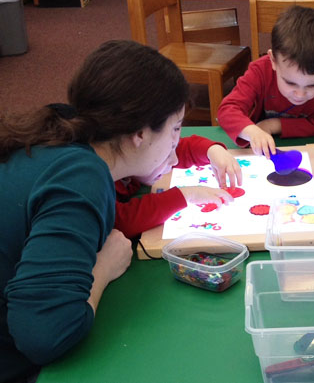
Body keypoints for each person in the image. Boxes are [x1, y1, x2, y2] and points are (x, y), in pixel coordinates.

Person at [0, 40, 191, 383]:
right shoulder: (82, 178)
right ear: (140, 133)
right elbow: (43, 335)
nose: (177, 146)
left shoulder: (60, 127)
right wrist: (102, 268)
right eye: (175, 129)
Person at [217, 5, 314, 158]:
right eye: (290, 83)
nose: (300, 94)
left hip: (312, 147)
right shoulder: (259, 71)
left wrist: (273, 125)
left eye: (312, 85)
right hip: (257, 150)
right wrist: (252, 132)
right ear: (273, 60)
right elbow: (227, 110)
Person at [115, 134, 242, 240]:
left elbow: (179, 148)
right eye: (167, 153)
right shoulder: (99, 182)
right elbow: (120, 221)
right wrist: (188, 195)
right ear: (138, 138)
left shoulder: (133, 156)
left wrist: (212, 150)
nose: (175, 160)